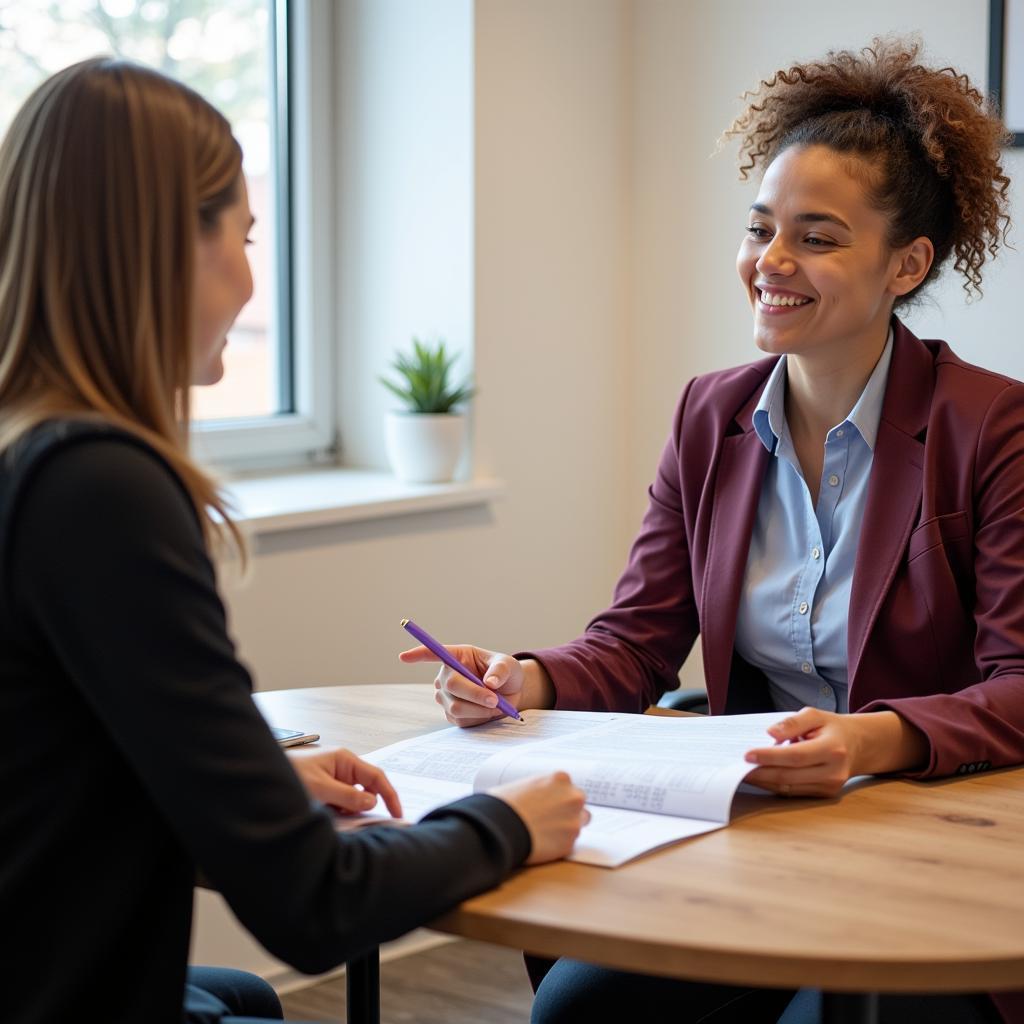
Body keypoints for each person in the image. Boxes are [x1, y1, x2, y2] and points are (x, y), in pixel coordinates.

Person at [403, 39, 1024, 1024]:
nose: (770, 263)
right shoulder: (711, 415)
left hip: (930, 848)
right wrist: (523, 676)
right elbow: (637, 639)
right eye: (760, 228)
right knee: (575, 1013)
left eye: (816, 237)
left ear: (906, 264)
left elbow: (1018, 687)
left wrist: (872, 739)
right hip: (759, 835)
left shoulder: (989, 425)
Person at [0, 58, 589, 1024]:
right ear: (164, 247)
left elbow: (53, 769)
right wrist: (505, 826)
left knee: (242, 1002)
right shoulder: (101, 491)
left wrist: (255, 787)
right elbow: (313, 902)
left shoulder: (28, 447)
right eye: (245, 235)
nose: (247, 277)